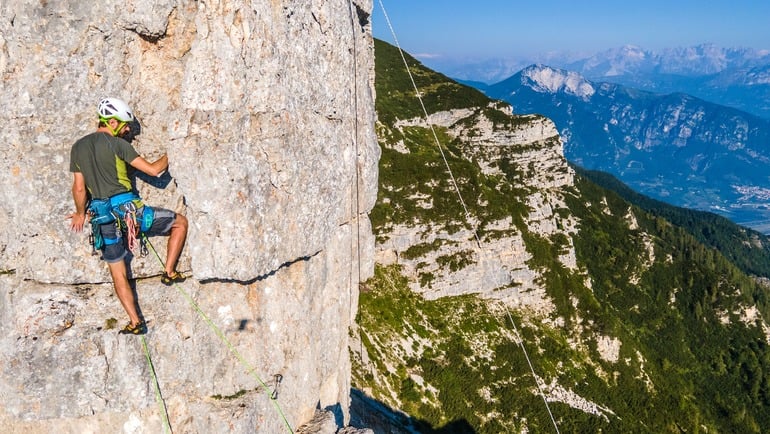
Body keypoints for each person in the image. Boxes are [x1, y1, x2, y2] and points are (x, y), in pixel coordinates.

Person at [68, 97, 188, 335]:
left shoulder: (78, 148)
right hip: (131, 213)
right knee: (180, 223)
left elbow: (79, 188)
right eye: (124, 125)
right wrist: (174, 151)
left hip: (102, 219)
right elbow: (155, 170)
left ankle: (135, 321)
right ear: (111, 122)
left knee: (117, 271)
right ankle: (169, 271)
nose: (127, 131)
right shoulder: (118, 145)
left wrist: (80, 213)